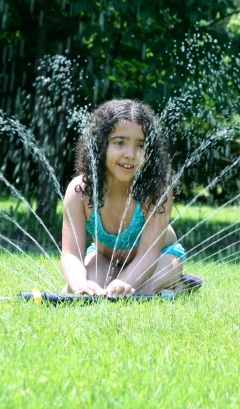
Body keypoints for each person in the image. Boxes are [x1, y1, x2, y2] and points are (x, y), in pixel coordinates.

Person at [61, 99, 186, 297]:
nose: (131, 154)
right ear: (100, 145)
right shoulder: (80, 191)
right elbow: (71, 255)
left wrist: (125, 283)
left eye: (140, 145)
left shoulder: (155, 190)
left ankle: (177, 287)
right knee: (92, 291)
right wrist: (79, 285)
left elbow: (148, 255)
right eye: (120, 143)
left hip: (158, 259)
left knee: (134, 294)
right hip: (104, 257)